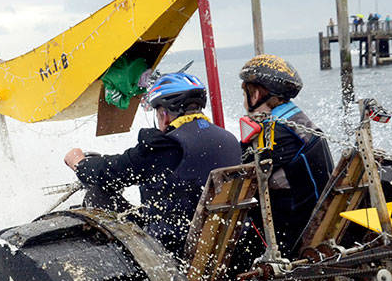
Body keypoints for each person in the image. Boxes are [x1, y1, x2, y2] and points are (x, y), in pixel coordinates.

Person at [63, 72, 239, 254]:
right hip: (221, 246)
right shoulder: (230, 140)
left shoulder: (168, 146)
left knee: (98, 194)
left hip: (171, 250)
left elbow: (115, 172)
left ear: (164, 113)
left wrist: (80, 163)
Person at [238, 54, 335, 254]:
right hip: (322, 218)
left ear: (255, 95)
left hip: (295, 233)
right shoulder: (298, 119)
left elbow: (241, 172)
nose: (244, 102)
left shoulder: (273, 131)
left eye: (245, 94)